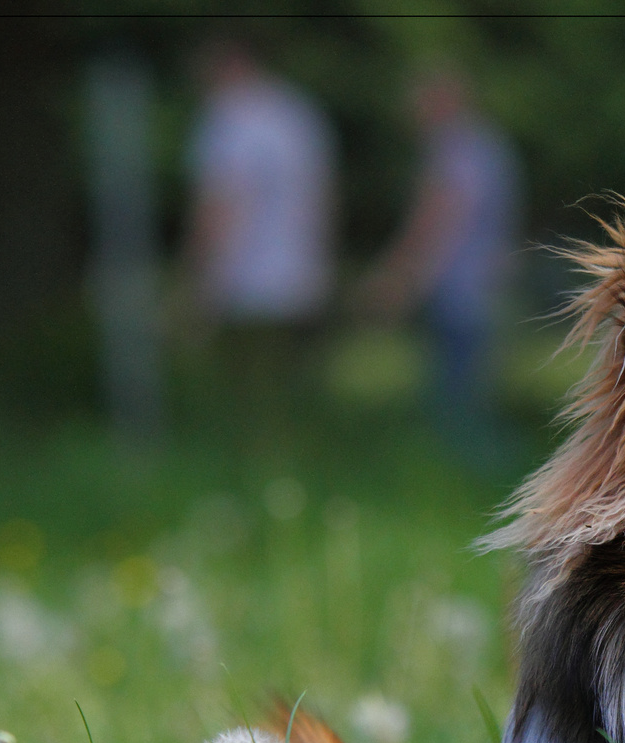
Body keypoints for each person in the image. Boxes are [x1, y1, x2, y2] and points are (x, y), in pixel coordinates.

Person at [357, 68, 521, 457]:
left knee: (456, 400)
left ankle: (468, 476)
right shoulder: (489, 148)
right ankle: (474, 474)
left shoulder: (455, 153)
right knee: (470, 390)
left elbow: (436, 221)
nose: (411, 111)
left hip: (458, 289)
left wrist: (398, 275)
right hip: (482, 286)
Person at [182, 38, 335, 416]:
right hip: (299, 272)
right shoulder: (297, 113)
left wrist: (197, 279)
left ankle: (252, 461)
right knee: (292, 390)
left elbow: (220, 205)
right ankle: (291, 459)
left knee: (245, 391)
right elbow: (323, 195)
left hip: (243, 279)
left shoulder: (229, 120)